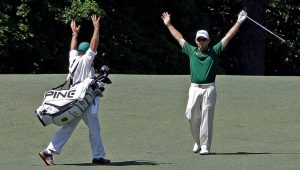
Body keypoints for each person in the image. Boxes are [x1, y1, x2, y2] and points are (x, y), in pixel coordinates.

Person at [161, 10, 247, 155]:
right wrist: (168, 24)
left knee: (207, 116)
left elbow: (228, 36)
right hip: (194, 88)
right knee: (191, 116)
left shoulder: (214, 51)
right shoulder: (191, 50)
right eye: (199, 39)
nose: (201, 41)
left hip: (209, 88)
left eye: (203, 39)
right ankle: (197, 141)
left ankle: (205, 146)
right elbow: (179, 37)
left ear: (208, 41)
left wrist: (239, 21)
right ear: (196, 41)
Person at [38, 15, 111, 165]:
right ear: (87, 53)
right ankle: (97, 156)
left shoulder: (74, 58)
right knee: (93, 126)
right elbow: (93, 45)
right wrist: (96, 28)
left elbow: (72, 48)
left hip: (75, 99)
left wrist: (75, 34)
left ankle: (48, 152)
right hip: (85, 99)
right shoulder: (85, 59)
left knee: (70, 126)